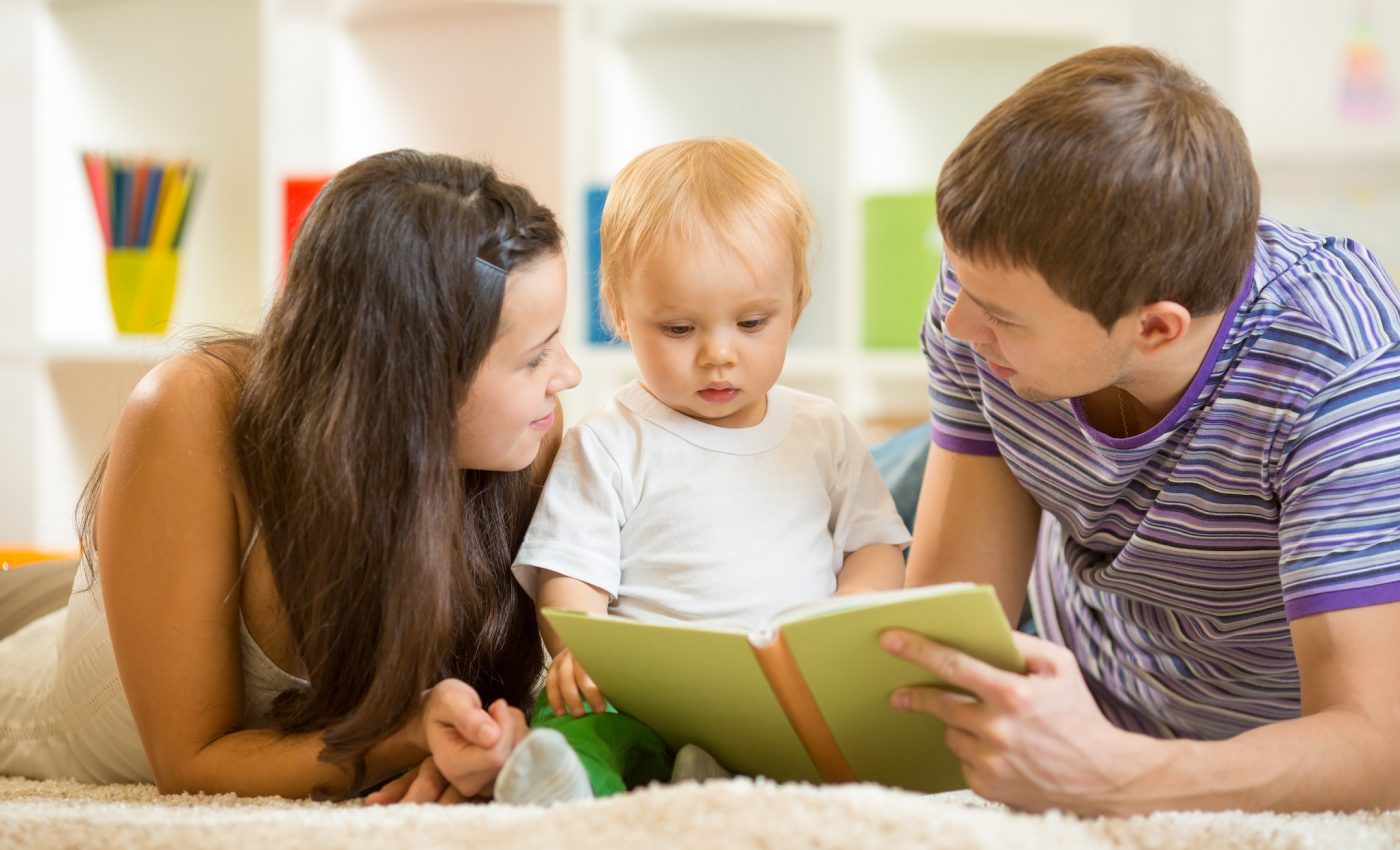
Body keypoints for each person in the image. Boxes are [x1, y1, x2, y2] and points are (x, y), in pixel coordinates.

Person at [882, 45, 1400, 814]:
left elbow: (1377, 746)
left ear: (1156, 329)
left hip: (1237, 729)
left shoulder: (1341, 371)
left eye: (998, 315)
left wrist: (1108, 773)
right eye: (961, 283)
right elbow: (949, 621)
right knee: (820, 496)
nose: (959, 325)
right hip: (1072, 634)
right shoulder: (992, 282)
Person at [0, 149, 582, 803]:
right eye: (535, 357)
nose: (568, 376)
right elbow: (190, 767)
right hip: (31, 638)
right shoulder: (191, 412)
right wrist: (406, 736)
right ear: (413, 381)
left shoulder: (527, 441)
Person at [497, 137, 913, 805]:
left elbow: (875, 545)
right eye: (680, 330)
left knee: (848, 738)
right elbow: (570, 570)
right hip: (640, 688)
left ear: (796, 304)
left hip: (782, 689)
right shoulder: (610, 440)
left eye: (751, 322)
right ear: (622, 317)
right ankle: (571, 785)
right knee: (579, 721)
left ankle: (716, 777)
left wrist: (847, 614)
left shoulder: (823, 431)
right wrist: (581, 646)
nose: (719, 355)